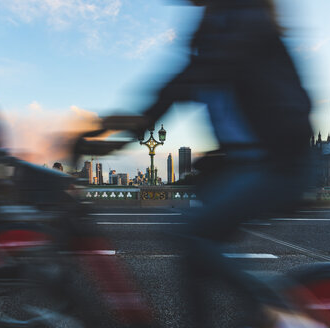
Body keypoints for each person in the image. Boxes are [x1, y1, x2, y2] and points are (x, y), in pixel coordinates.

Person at [79, 0, 316, 326]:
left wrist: (125, 128)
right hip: (249, 164)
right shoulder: (217, 31)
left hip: (282, 165)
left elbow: (195, 76)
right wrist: (113, 134)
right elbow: (180, 85)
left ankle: (281, 313)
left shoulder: (246, 21)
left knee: (189, 234)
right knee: (196, 252)